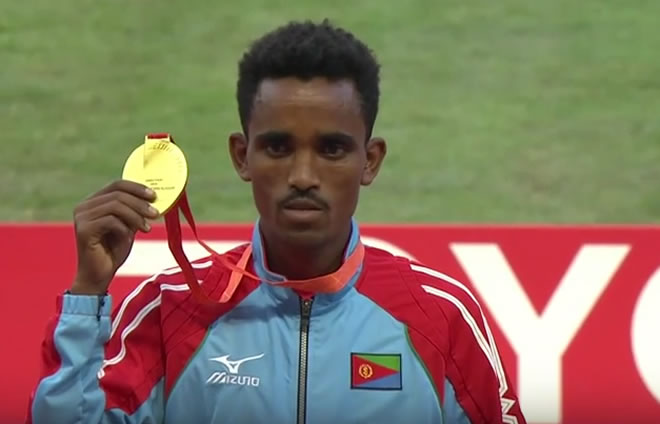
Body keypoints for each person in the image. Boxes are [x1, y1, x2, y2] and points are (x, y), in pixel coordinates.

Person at [27, 20, 527, 424]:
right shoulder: (168, 309)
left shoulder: (442, 316)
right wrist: (88, 293)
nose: (303, 176)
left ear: (370, 161)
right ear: (242, 156)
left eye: (332, 149)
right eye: (278, 147)